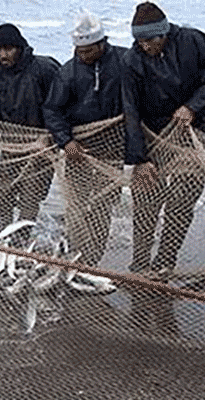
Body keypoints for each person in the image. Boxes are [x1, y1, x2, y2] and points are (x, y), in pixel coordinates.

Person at [122, 2, 205, 279]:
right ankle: (140, 263)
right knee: (146, 197)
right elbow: (131, 111)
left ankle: (165, 261)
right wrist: (140, 159)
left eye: (149, 40)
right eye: (139, 40)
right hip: (151, 133)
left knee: (184, 193)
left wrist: (194, 106)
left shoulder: (193, 41)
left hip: (189, 132)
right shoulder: (132, 60)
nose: (144, 46)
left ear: (163, 34)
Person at [42, 11, 128, 266]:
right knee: (76, 206)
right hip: (77, 150)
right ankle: (74, 257)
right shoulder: (68, 72)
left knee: (103, 208)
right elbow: (52, 109)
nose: (82, 55)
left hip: (112, 150)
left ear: (102, 44)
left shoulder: (125, 61)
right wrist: (65, 141)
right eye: (79, 50)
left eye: (88, 50)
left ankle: (92, 260)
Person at [0, 24, 60, 244]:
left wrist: (51, 137)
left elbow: (62, 107)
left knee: (30, 199)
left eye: (8, 49)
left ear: (20, 48)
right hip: (12, 147)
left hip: (42, 146)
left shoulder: (44, 69)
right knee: (2, 195)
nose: (3, 55)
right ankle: (3, 239)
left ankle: (21, 245)